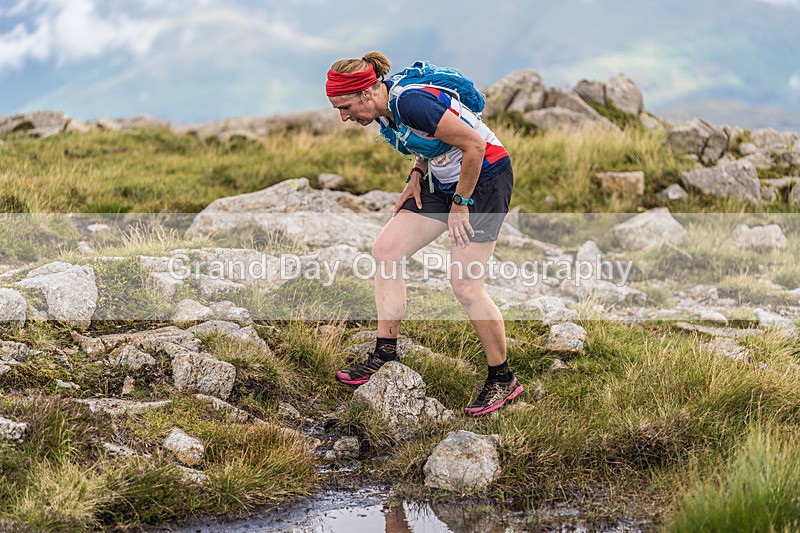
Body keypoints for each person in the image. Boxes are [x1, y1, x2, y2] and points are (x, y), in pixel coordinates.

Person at [326, 52, 523, 417]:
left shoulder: (411, 102)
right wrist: (416, 174)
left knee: (466, 286)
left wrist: (460, 203)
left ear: (367, 93)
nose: (344, 116)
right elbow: (427, 140)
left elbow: (474, 145)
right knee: (386, 250)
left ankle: (503, 379)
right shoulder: (385, 110)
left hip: (484, 179)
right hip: (440, 180)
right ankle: (385, 354)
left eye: (345, 107)